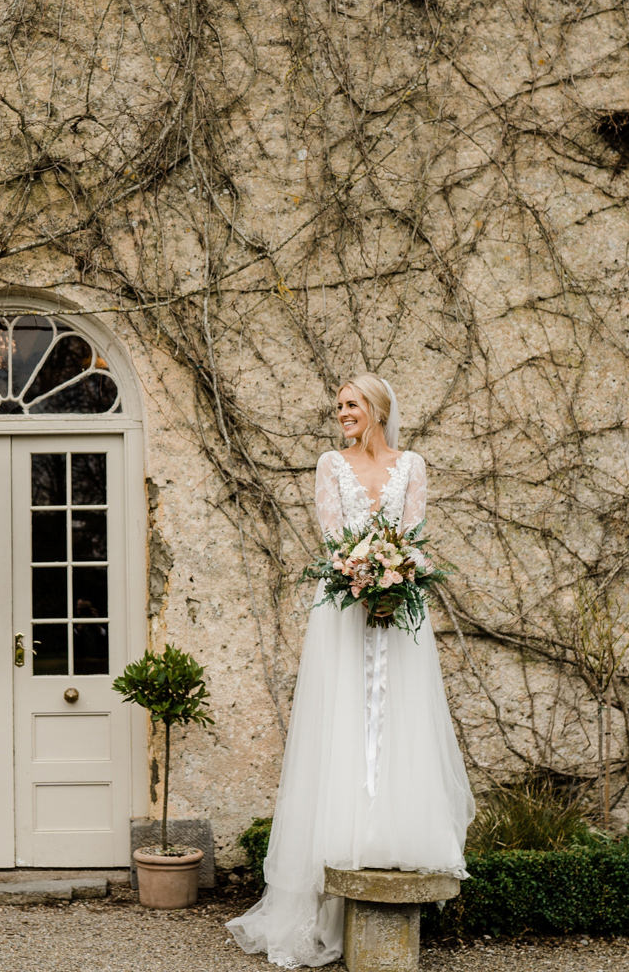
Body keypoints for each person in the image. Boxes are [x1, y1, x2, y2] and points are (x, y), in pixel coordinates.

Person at [227, 374, 474, 967]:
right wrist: (361, 578)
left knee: (396, 717)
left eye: (351, 404)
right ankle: (333, 856)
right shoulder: (328, 464)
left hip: (399, 609)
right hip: (343, 608)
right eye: (338, 405)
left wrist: (397, 575)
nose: (341, 413)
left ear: (378, 409)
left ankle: (391, 835)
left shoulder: (412, 465)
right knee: (344, 716)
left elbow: (413, 538)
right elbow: (334, 539)